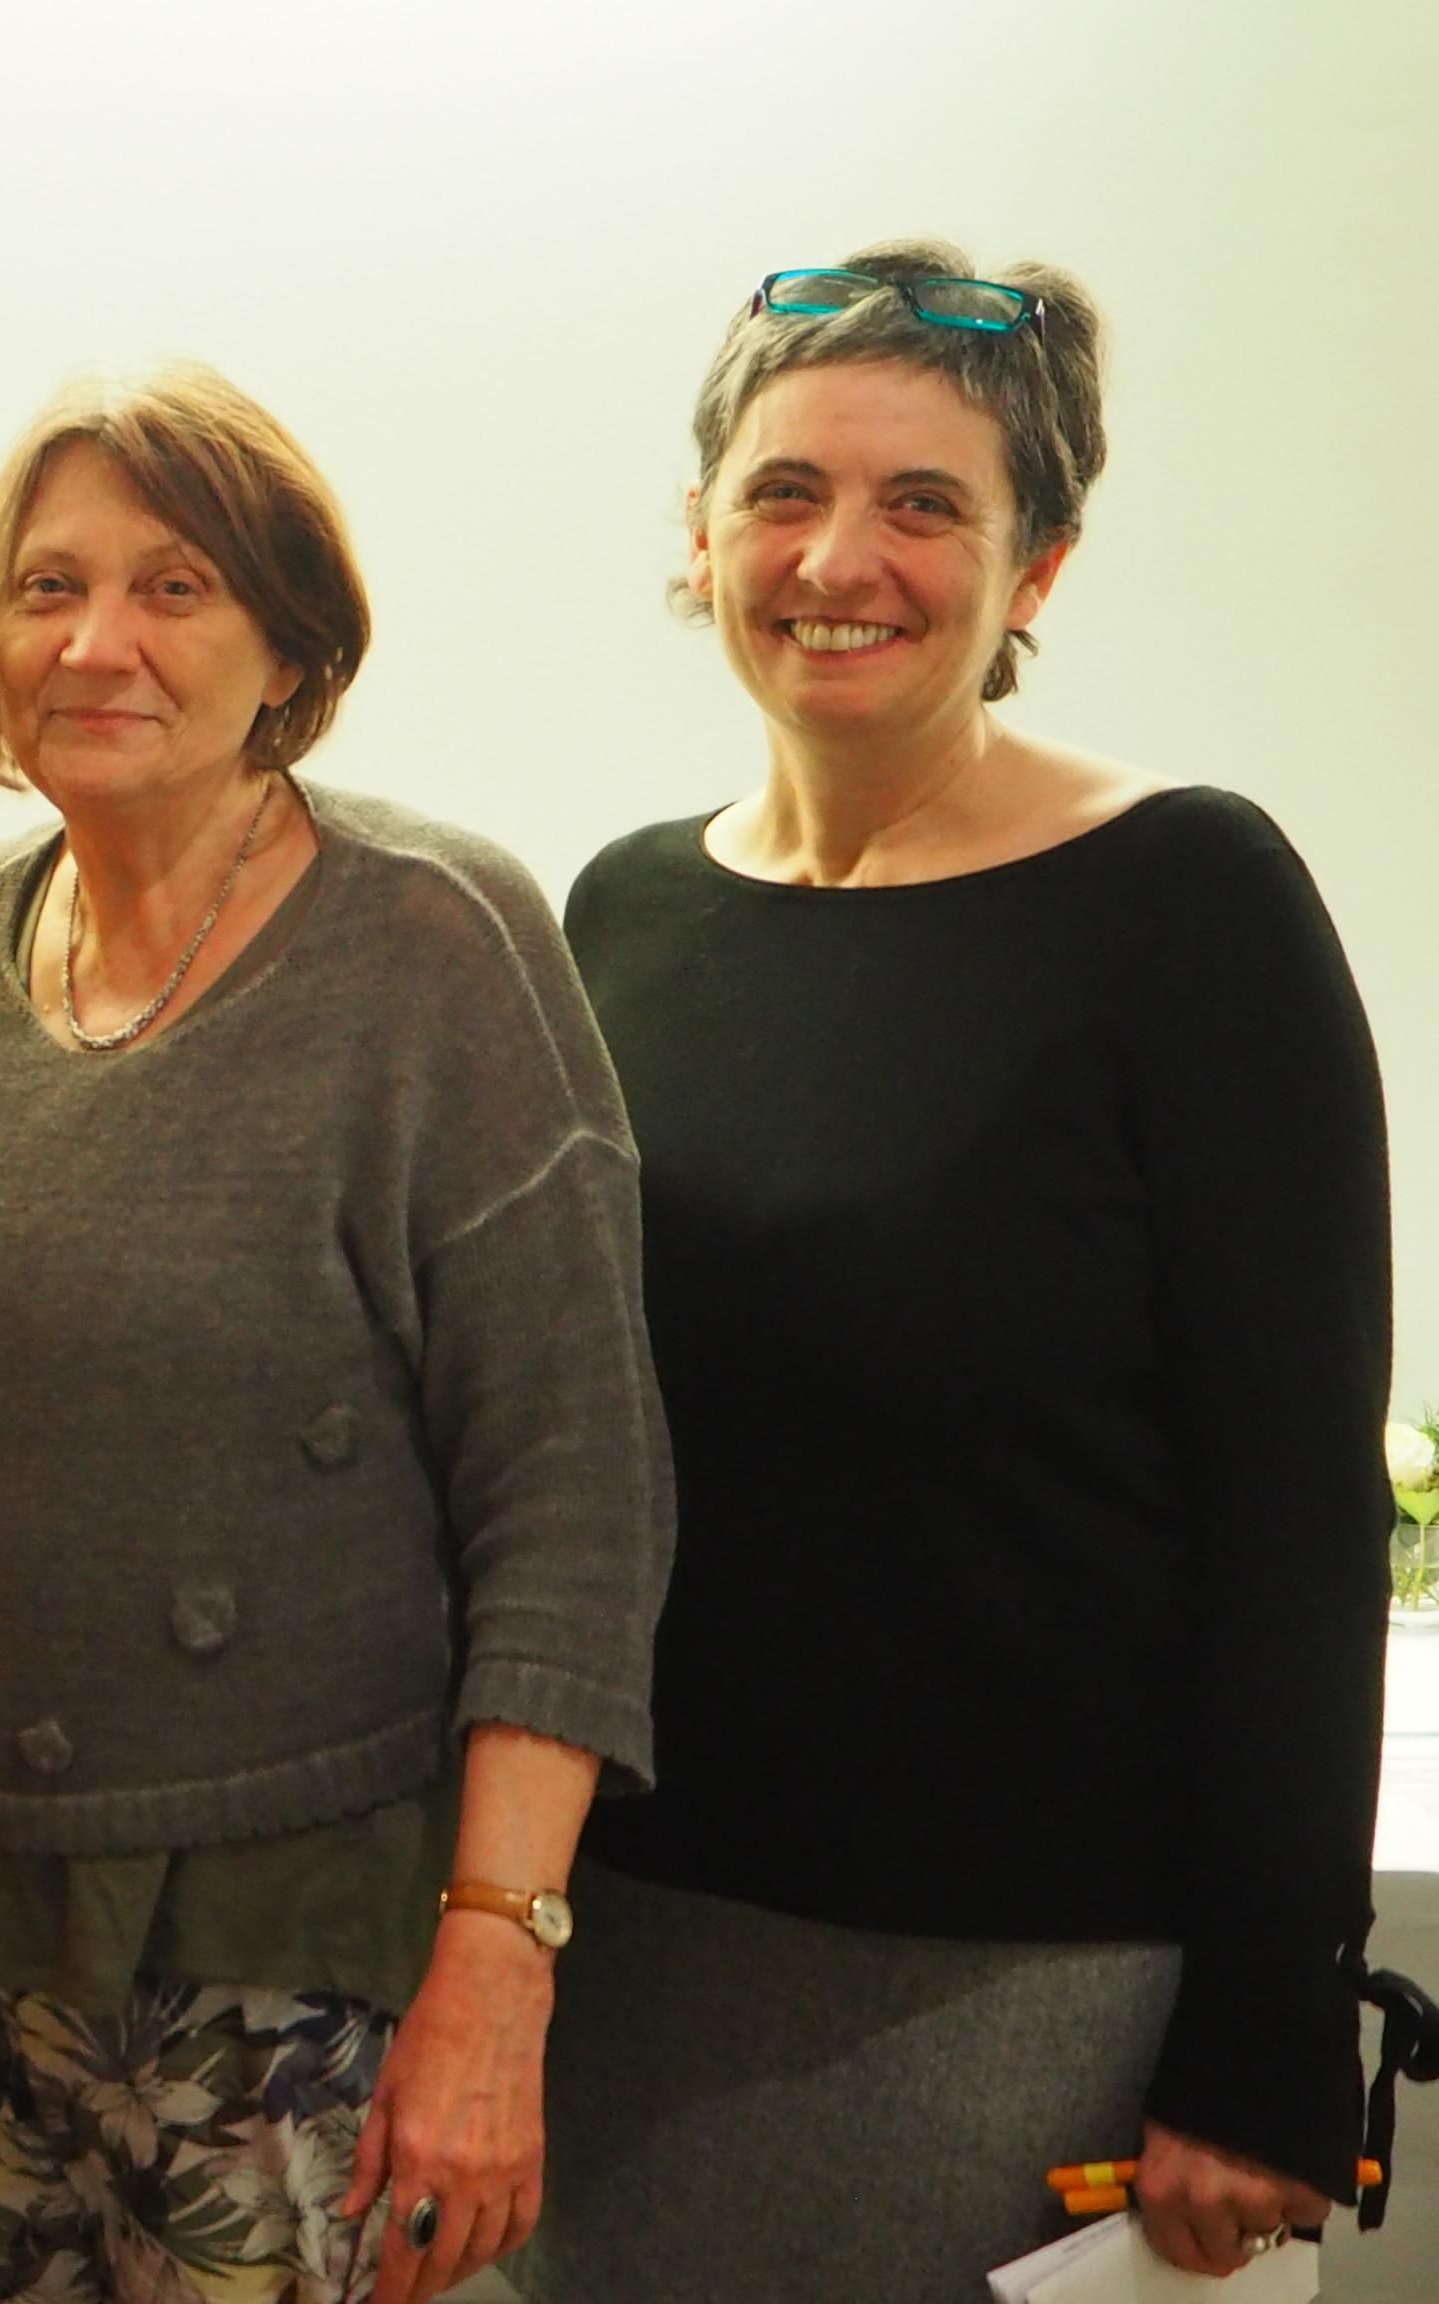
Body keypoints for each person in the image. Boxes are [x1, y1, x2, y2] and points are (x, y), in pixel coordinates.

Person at [521, 244, 1393, 2299]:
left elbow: (1296, 1522)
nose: (839, 559)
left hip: (1020, 1990)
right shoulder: (621, 915)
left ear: (1035, 569)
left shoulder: (1187, 903)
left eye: (924, 504)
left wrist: (1267, 2037)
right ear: (701, 529)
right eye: (785, 490)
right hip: (630, 1952)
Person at [0, 363, 671, 2304]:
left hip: (295, 1956)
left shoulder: (434, 939)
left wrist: (498, 1959)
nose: (93, 642)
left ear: (290, 645)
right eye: (46, 587)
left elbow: (575, 1494)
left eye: (174, 586)